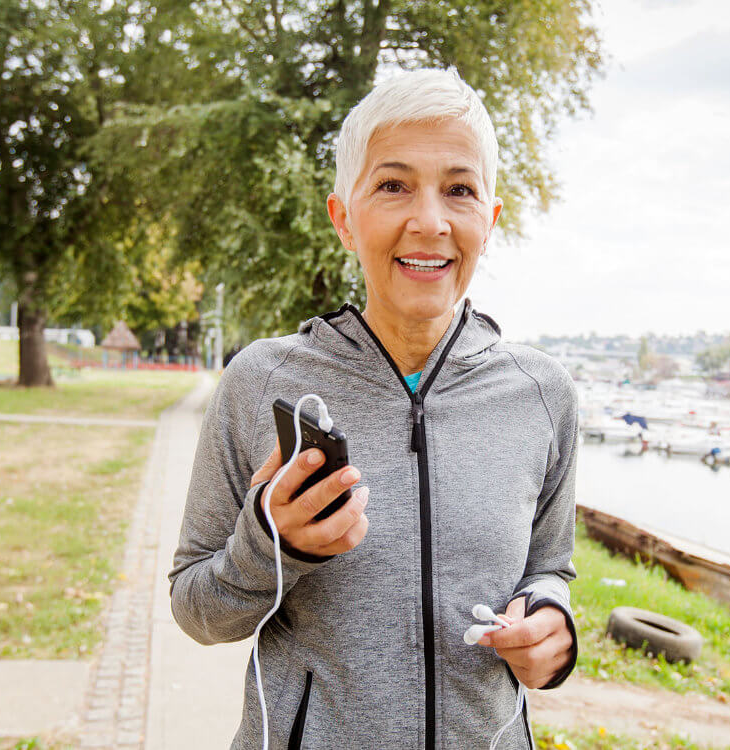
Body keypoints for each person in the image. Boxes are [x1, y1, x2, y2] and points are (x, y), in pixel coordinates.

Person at [169, 67, 579, 750]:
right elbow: (196, 611)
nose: (430, 220)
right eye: (393, 186)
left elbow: (551, 567)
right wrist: (273, 544)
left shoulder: (544, 396)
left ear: (490, 219)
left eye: (459, 189)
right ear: (344, 219)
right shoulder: (260, 381)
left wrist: (552, 625)